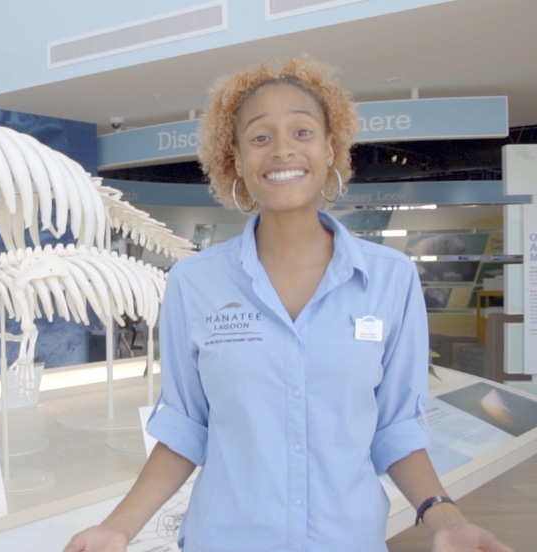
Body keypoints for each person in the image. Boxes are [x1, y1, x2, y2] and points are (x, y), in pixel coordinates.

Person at [63, 57, 512, 552]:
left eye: (302, 131)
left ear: (330, 148)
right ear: (233, 156)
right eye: (260, 137)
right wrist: (117, 527)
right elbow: (186, 428)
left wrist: (444, 520)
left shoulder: (391, 279)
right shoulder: (195, 282)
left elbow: (397, 428)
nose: (282, 150)